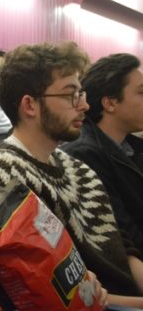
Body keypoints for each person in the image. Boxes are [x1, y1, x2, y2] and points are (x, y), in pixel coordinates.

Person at [0, 42, 143, 308]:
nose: (85, 105)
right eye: (70, 96)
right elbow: (50, 288)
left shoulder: (76, 167)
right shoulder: (2, 170)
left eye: (81, 94)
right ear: (30, 105)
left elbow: (121, 248)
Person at [63, 54, 143, 257]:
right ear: (110, 103)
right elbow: (122, 235)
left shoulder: (131, 146)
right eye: (141, 92)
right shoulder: (85, 154)